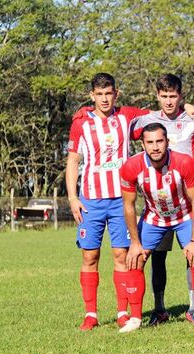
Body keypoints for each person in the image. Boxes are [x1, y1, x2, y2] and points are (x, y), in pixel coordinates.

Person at [66, 72, 150, 331]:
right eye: (99, 94)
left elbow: (160, 113)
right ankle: (90, 314)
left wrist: (186, 107)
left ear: (116, 94)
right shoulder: (81, 122)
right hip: (91, 199)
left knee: (121, 255)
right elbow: (73, 160)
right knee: (90, 255)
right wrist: (72, 197)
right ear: (92, 96)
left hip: (121, 200)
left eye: (108, 93)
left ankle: (122, 312)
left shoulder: (126, 117)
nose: (104, 99)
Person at [130, 74, 194, 326]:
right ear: (157, 96)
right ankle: (159, 307)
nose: (168, 101)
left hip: (187, 200)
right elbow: (123, 124)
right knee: (157, 256)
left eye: (173, 96)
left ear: (181, 96)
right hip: (156, 203)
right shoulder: (147, 119)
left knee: (193, 254)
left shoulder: (191, 118)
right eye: (164, 96)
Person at [120, 123, 194, 332]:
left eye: (159, 141)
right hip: (154, 218)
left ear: (167, 142)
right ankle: (136, 318)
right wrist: (134, 242)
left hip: (183, 215)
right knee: (135, 259)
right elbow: (129, 206)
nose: (155, 147)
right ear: (143, 144)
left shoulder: (184, 162)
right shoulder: (131, 167)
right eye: (150, 142)